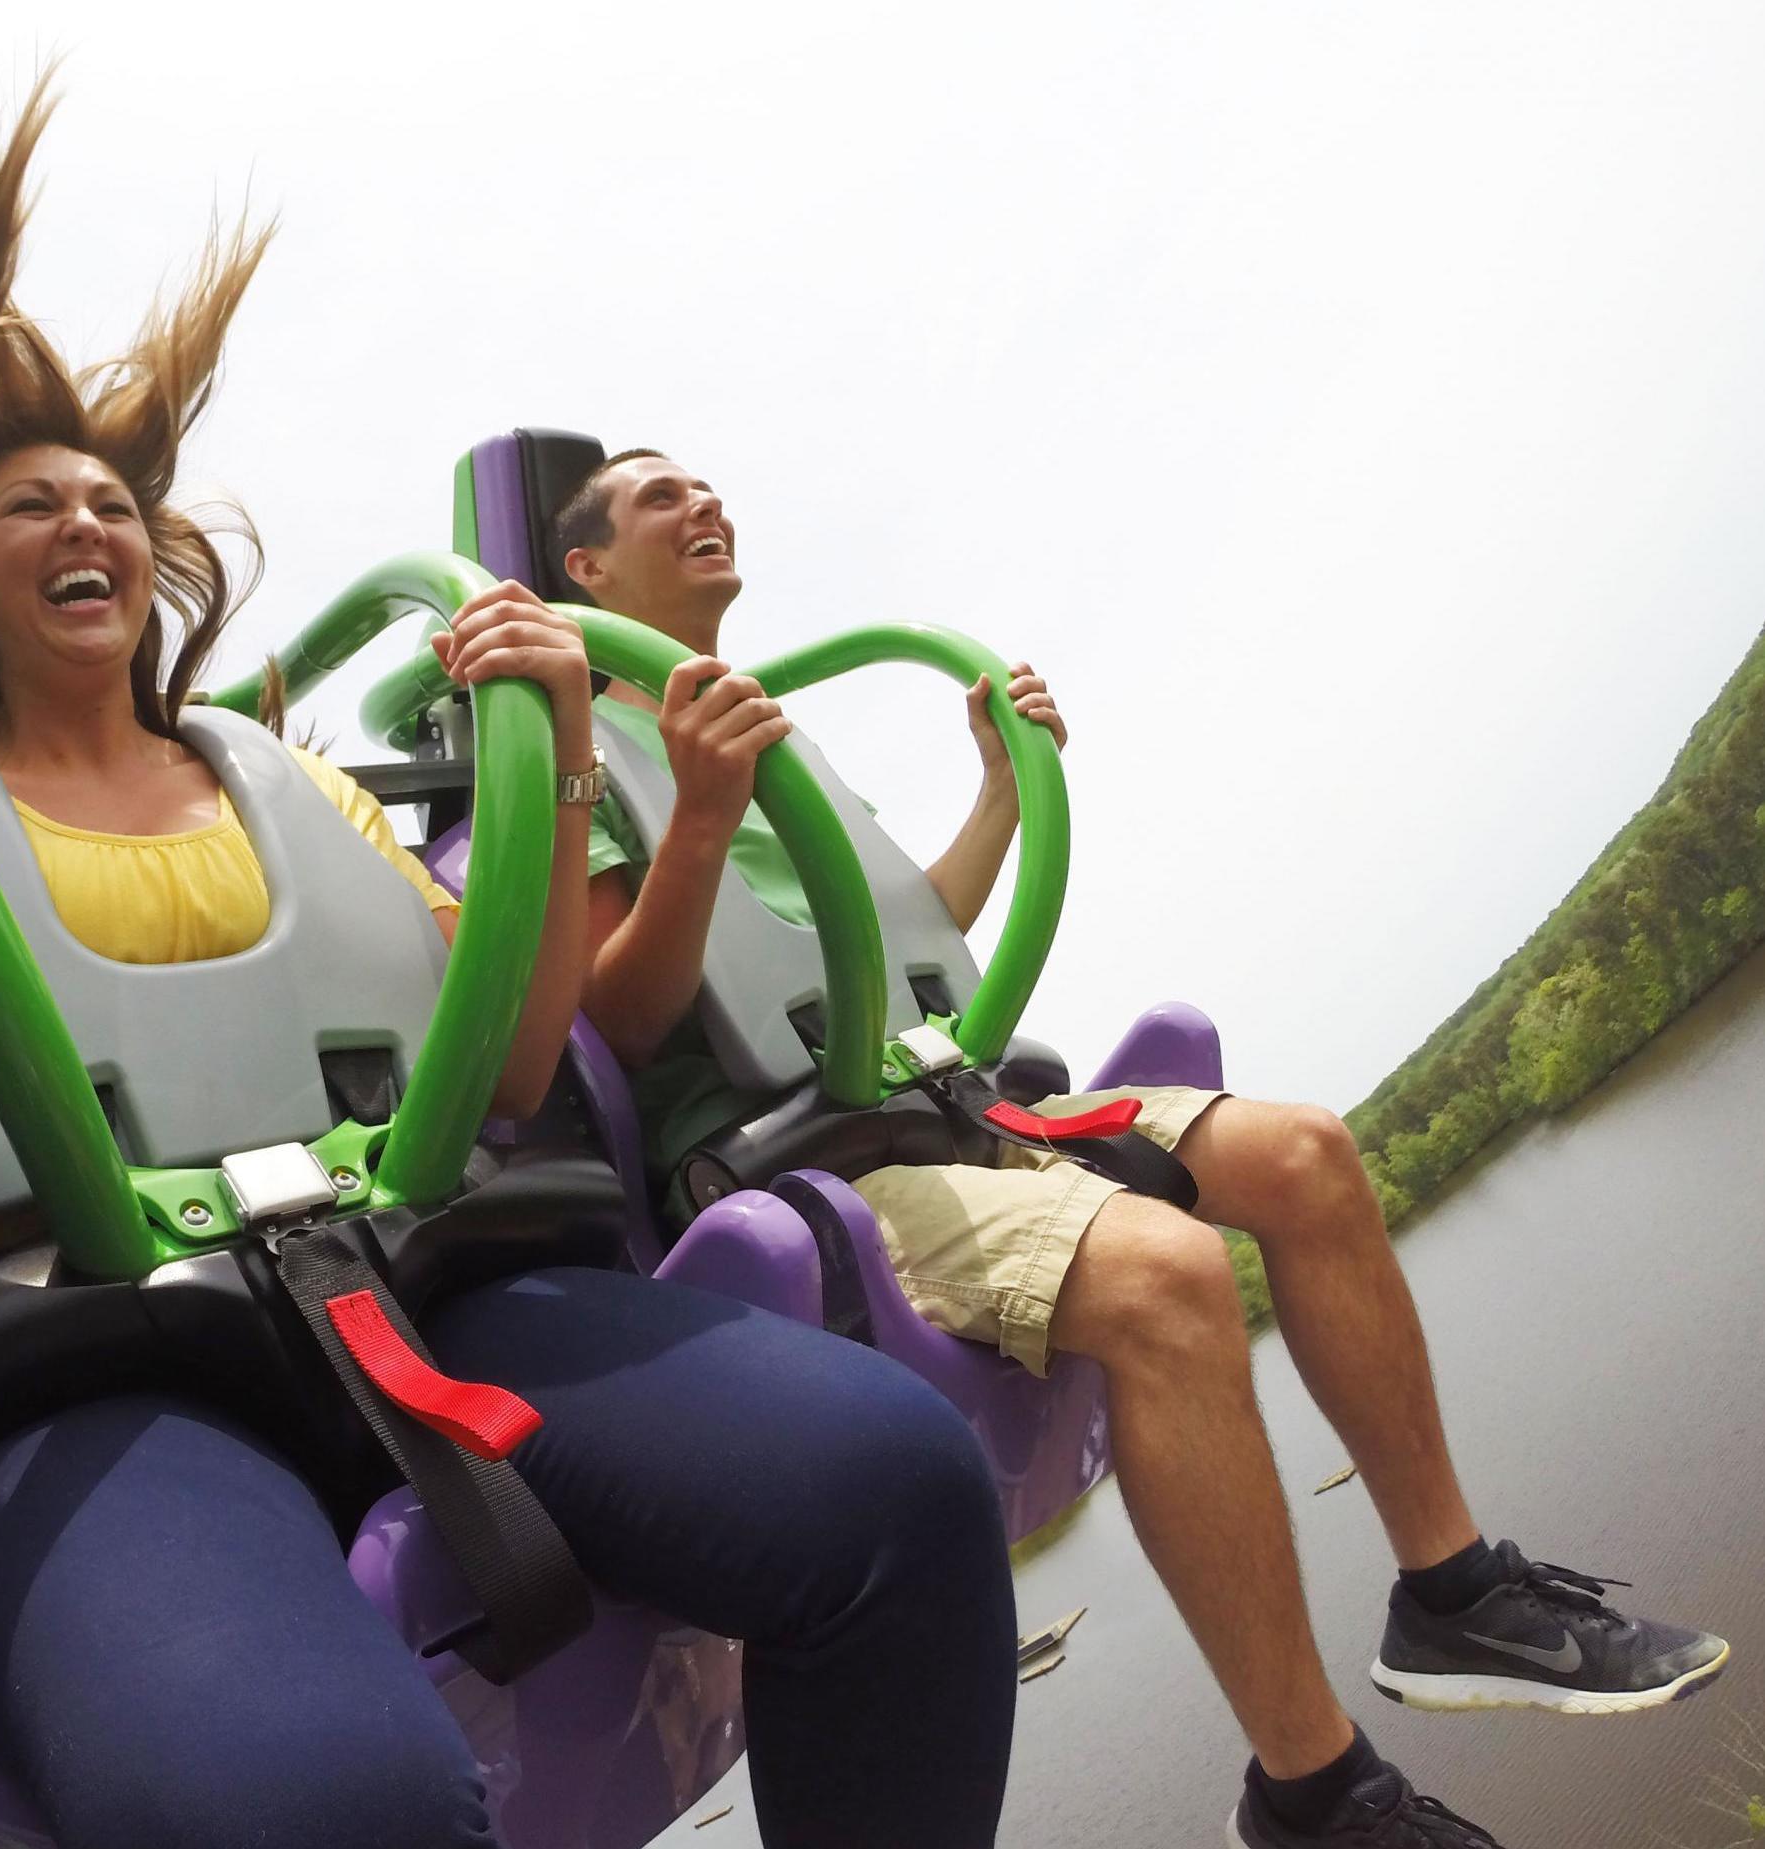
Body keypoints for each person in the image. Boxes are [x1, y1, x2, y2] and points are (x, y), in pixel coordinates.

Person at [0, 83, 1019, 1849]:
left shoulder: (301, 787)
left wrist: (556, 750)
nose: (82, 524)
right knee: (315, 1802)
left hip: (429, 1283)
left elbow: (502, 1064)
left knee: (894, 1482)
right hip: (87, 1375)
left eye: (109, 500)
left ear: (157, 559)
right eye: (27, 506)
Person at [559, 446, 1731, 1849]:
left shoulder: (777, 736)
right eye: (656, 498)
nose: (704, 503)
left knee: (1303, 1153)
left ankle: (1453, 1594)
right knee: (1170, 1277)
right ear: (585, 570)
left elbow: (915, 935)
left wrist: (997, 787)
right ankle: (1312, 1792)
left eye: (706, 485)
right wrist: (690, 817)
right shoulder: (576, 763)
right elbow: (609, 1023)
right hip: (812, 1166)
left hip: (950, 1100)